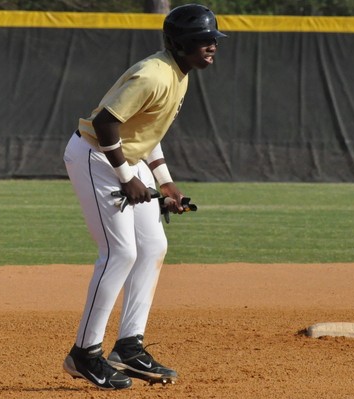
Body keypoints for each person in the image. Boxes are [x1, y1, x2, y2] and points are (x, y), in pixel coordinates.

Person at [62, 4, 226, 390]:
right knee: (120, 253)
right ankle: (83, 354)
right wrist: (125, 177)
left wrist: (163, 180)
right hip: (96, 157)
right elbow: (105, 122)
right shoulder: (153, 74)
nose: (211, 47)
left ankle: (129, 347)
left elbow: (144, 132)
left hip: (125, 158)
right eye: (204, 40)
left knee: (152, 246)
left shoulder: (178, 73)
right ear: (181, 44)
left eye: (214, 41)